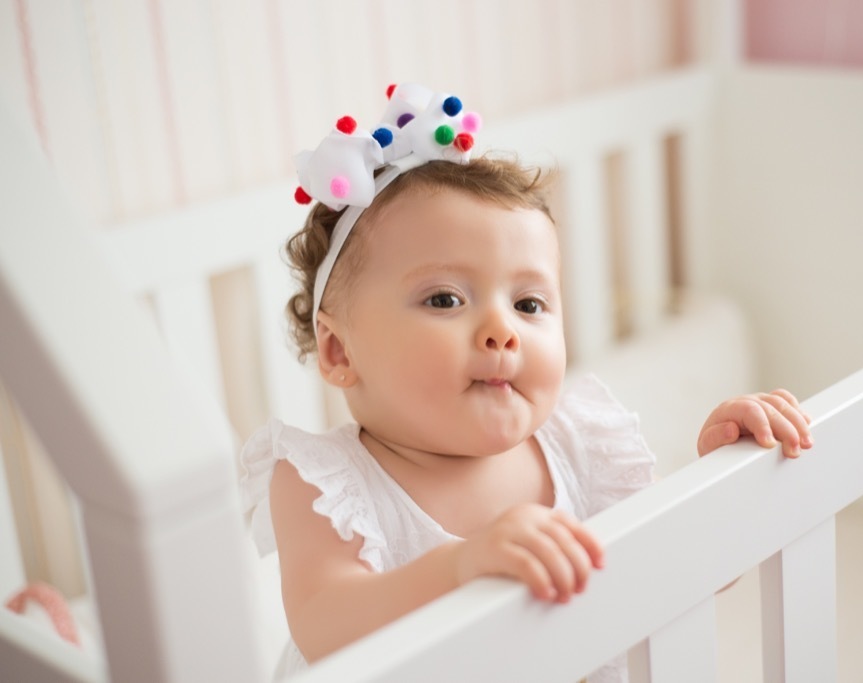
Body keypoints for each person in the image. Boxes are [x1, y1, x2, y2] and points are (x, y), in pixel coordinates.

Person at [240, 84, 813, 681]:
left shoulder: (581, 446)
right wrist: (460, 569)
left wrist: (723, 478)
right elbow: (325, 624)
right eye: (445, 299)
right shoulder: (326, 483)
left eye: (529, 304)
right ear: (338, 350)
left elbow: (688, 565)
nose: (502, 331)